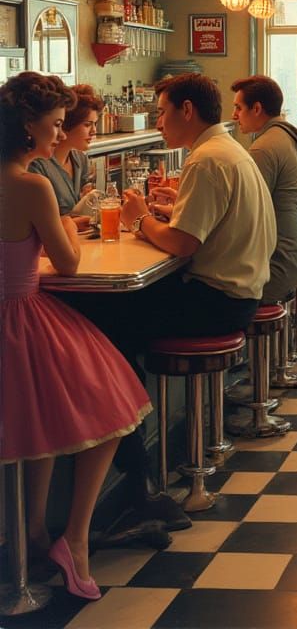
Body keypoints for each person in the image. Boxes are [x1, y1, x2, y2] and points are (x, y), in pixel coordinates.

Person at [1, 72, 151, 599]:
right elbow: (66, 264)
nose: (60, 132)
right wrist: (65, 225)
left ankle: (33, 531)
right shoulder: (31, 184)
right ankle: (75, 538)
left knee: (31, 424)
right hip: (21, 318)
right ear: (28, 126)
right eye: (56, 123)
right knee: (112, 408)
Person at [120, 74, 275, 340]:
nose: (158, 124)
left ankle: (128, 381)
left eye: (162, 113)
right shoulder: (228, 148)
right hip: (244, 295)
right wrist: (179, 207)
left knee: (108, 311)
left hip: (218, 302)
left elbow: (183, 244)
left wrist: (140, 218)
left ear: (188, 110)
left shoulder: (205, 159)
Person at [232, 76, 297, 306]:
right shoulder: (289, 136)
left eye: (238, 108)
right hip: (294, 251)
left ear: (256, 108)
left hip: (275, 262)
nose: (234, 115)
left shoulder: (263, 148)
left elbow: (247, 213)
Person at [29, 82, 101, 223]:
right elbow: (37, 223)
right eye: (87, 125)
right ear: (66, 124)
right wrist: (71, 223)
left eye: (95, 124)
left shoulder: (80, 160)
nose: (94, 131)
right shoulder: (37, 166)